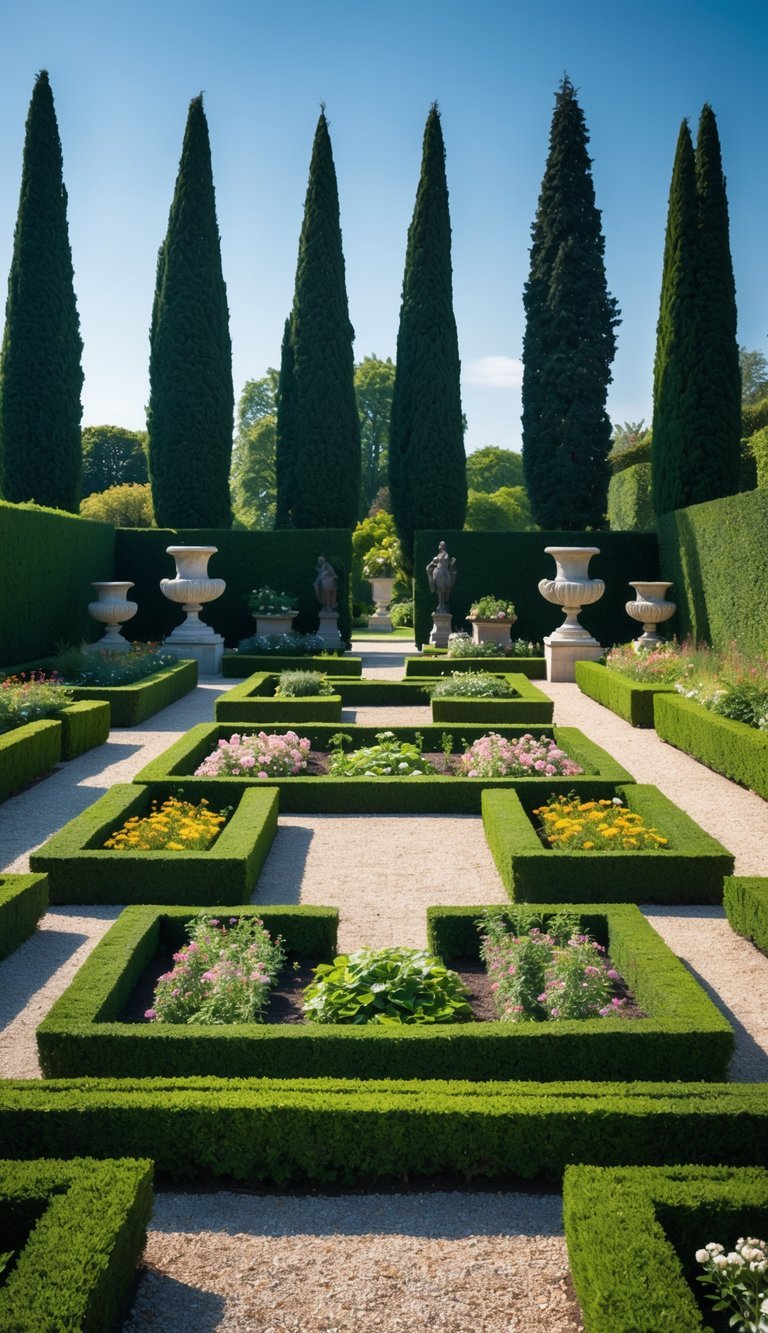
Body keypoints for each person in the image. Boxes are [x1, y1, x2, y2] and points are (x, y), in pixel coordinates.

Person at [426, 540, 456, 613]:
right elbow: (434, 562)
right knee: (438, 589)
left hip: (443, 571)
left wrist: (436, 559)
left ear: (443, 547)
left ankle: (443, 604)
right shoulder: (439, 554)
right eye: (440, 545)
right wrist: (431, 564)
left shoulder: (445, 554)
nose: (440, 547)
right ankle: (440, 604)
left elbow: (440, 560)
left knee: (445, 586)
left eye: (441, 545)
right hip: (439, 571)